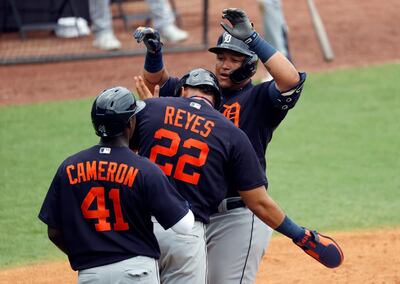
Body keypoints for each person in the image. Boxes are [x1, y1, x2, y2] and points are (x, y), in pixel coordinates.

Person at [133, 7, 307, 283]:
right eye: (221, 58)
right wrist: (154, 54)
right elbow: (157, 84)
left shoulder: (259, 99)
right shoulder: (202, 92)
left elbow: (290, 80)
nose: (224, 65)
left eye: (234, 60)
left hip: (238, 214)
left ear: (250, 64)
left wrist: (253, 40)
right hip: (194, 214)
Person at [132, 69, 343, 284]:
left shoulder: (152, 110)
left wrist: (153, 112)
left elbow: (126, 156)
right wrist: (300, 235)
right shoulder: (230, 132)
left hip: (139, 226)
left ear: (184, 91)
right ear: (216, 102)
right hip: (187, 231)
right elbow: (259, 201)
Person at [38, 86, 195, 283]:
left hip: (91, 274)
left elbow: (54, 232)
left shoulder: (69, 167)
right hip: (136, 272)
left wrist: (86, 255)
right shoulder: (145, 169)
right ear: (130, 122)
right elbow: (185, 226)